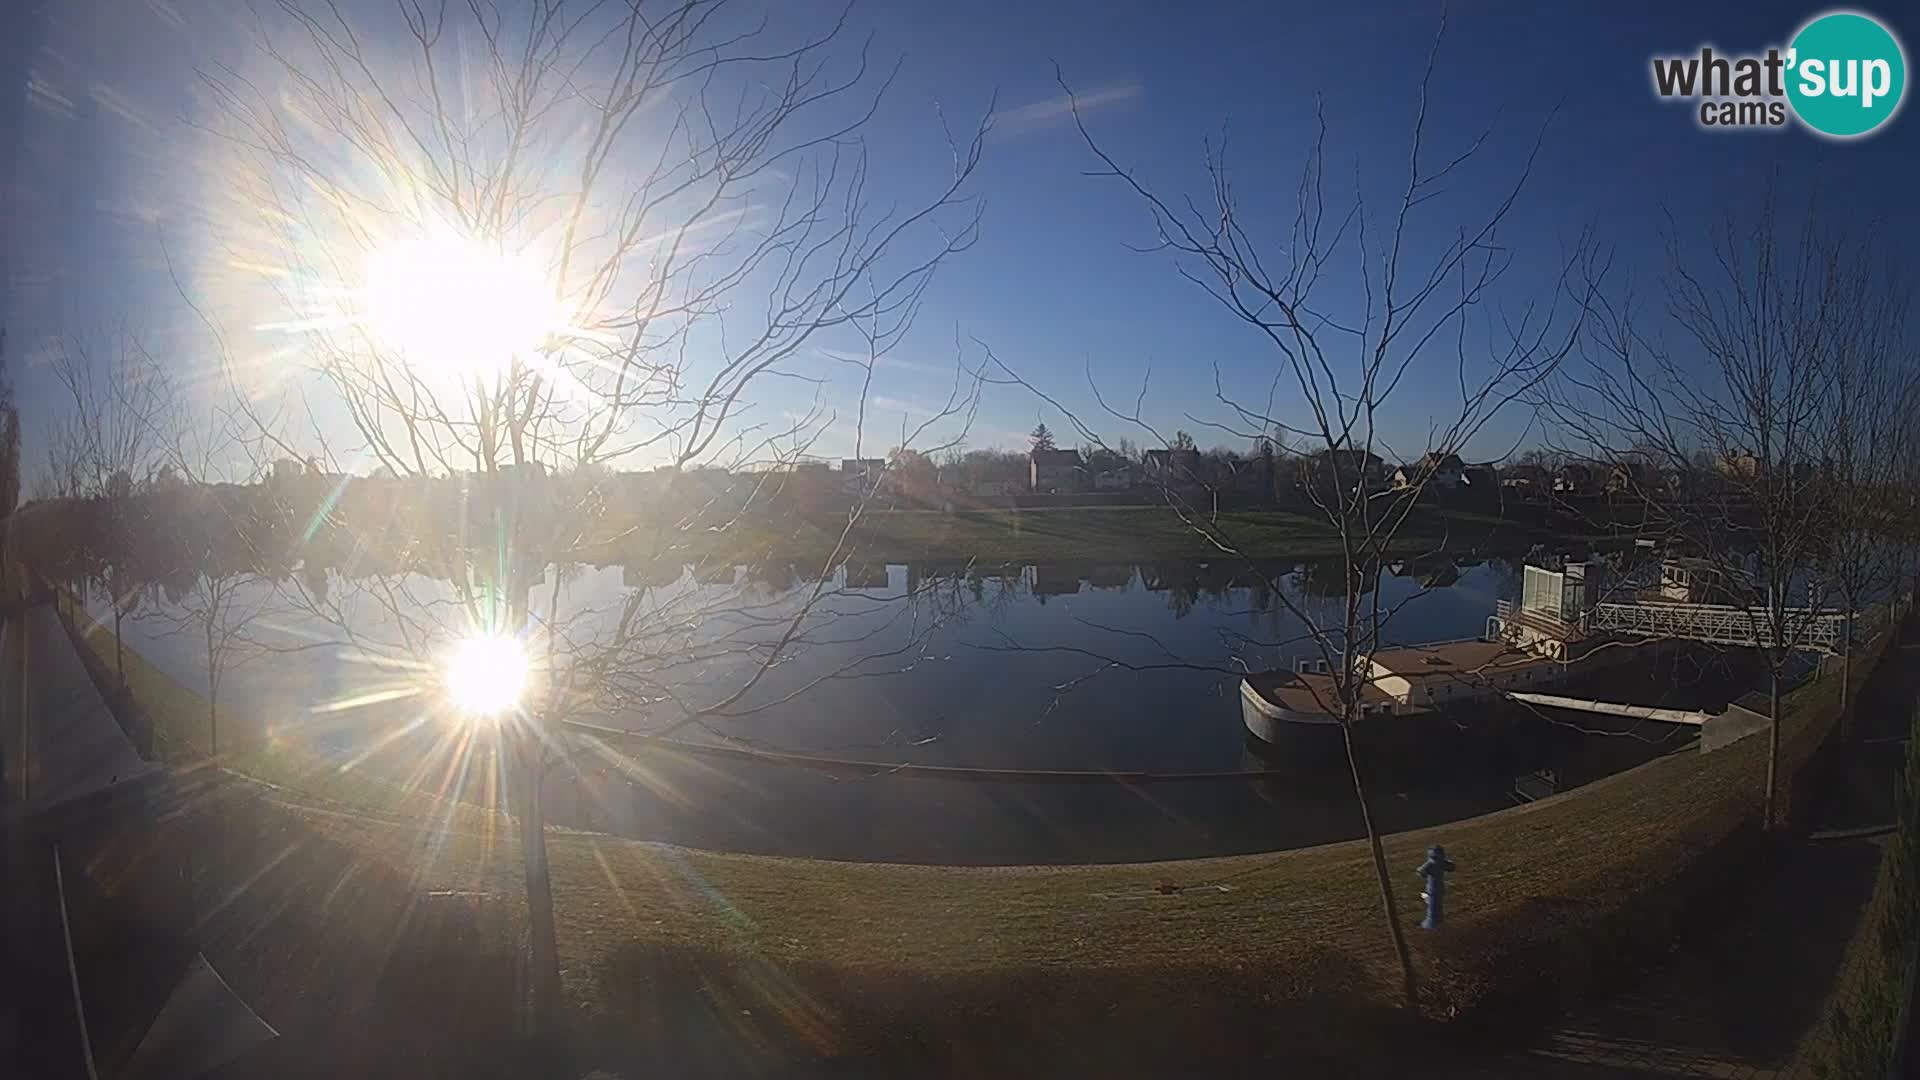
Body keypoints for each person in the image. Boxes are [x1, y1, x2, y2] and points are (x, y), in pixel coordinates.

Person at [1417, 844, 1456, 929]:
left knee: (1434, 906)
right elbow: (1451, 867)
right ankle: (1433, 924)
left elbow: (1420, 872)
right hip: (1436, 888)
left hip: (1433, 888)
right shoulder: (1437, 863)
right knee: (1435, 906)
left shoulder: (1431, 864)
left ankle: (1433, 923)